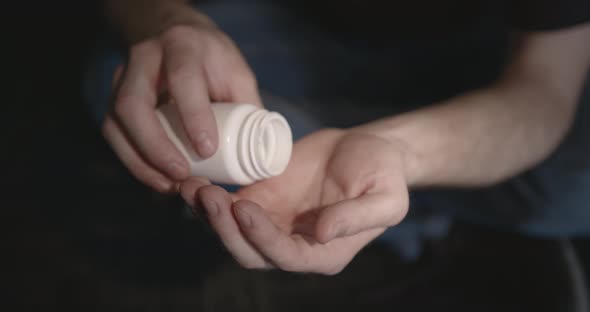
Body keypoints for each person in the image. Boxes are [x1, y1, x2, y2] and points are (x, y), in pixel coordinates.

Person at [87, 0, 590, 274]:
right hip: (305, 26)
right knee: (125, 79)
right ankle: (402, 200)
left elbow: (545, 89)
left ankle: (393, 197)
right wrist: (168, 18)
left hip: (494, 45)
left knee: (578, 189)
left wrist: (401, 149)